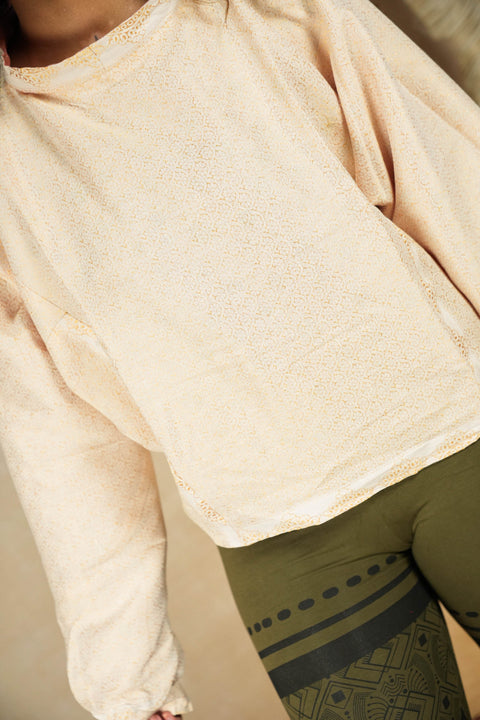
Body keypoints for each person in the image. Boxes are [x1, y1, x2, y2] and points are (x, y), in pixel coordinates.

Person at [0, 0, 479, 718]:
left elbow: (454, 187)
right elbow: (62, 442)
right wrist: (127, 683)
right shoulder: (9, 168)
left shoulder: (274, 12)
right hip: (282, 547)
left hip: (462, 445)